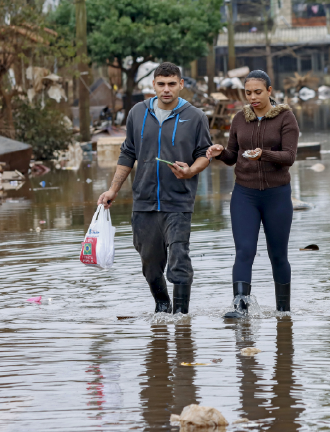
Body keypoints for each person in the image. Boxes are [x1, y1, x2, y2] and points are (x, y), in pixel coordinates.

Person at [97, 62, 212, 315]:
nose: (167, 89)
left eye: (172, 84)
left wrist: (191, 171)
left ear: (181, 84)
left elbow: (205, 154)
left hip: (179, 202)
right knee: (149, 263)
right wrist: (113, 190)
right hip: (144, 201)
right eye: (161, 84)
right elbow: (128, 153)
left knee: (179, 259)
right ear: (153, 86)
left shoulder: (196, 117)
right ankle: (162, 306)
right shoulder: (138, 113)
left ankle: (181, 317)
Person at [206, 70, 299, 318]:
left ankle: (283, 311)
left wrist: (263, 153)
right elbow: (232, 156)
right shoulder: (239, 119)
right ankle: (240, 306)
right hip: (244, 195)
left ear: (270, 91)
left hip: (276, 195)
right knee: (244, 250)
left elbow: (289, 157)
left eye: (258, 92)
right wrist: (219, 151)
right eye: (248, 93)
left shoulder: (286, 118)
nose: (253, 97)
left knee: (278, 254)